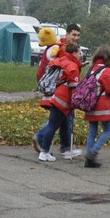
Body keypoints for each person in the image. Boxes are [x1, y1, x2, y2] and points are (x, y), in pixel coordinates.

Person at [33, 23, 82, 161]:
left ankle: (65, 149)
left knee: (63, 121)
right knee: (59, 121)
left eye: (78, 35)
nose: (76, 38)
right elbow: (65, 70)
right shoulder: (63, 49)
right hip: (60, 92)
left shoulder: (65, 48)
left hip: (59, 90)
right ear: (67, 34)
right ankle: (43, 141)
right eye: (73, 34)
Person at [79, 45, 110, 168]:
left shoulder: (92, 69)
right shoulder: (106, 71)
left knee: (92, 131)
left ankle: (89, 159)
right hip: (102, 105)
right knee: (108, 130)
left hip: (90, 104)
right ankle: (93, 152)